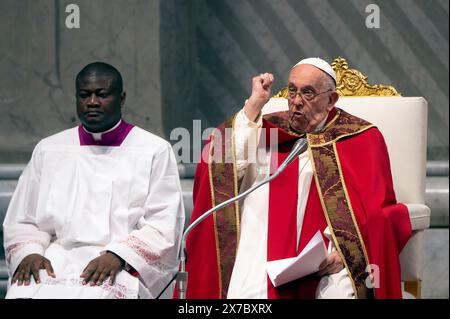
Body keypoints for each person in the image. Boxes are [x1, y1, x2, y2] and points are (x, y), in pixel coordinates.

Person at [179, 58, 412, 299]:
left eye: (308, 93)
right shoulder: (266, 129)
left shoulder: (360, 137)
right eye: (292, 91)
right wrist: (253, 105)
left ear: (331, 100)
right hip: (260, 249)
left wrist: (345, 251)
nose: (297, 101)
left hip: (327, 259)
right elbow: (219, 161)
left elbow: (376, 209)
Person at [3, 62, 185, 299]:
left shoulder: (153, 150)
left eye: (101, 94)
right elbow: (23, 219)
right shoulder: (49, 149)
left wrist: (120, 256)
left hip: (119, 260)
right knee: (24, 291)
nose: (92, 102)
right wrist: (29, 252)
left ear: (121, 99)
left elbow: (163, 224)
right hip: (56, 255)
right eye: (84, 95)